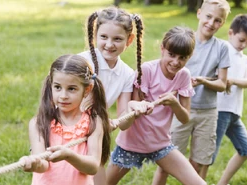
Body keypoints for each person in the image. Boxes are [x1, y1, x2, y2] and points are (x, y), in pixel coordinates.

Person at [106, 26, 207, 185]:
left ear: (190, 56)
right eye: (171, 55)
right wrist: (139, 106)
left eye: (182, 58)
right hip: (131, 144)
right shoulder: (147, 70)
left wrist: (175, 104)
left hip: (160, 144)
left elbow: (185, 118)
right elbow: (132, 112)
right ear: (162, 49)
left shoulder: (184, 75)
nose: (175, 62)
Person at [153, 0, 231, 183]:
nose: (211, 23)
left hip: (207, 113)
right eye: (208, 17)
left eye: (218, 20)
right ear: (199, 14)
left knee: (198, 164)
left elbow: (222, 84)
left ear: (223, 23)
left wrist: (203, 80)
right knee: (166, 163)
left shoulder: (222, 48)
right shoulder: (185, 42)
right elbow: (166, 72)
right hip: (181, 110)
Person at [20, 54, 111, 185]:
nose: (63, 96)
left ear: (87, 89)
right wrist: (34, 163)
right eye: (57, 87)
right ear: (51, 85)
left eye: (71, 89)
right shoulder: (39, 123)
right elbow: (43, 165)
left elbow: (93, 166)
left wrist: (69, 156)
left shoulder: (93, 122)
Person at [77, 6, 144, 184]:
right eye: (104, 37)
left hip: (95, 136)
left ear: (129, 40)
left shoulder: (127, 74)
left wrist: (133, 110)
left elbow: (123, 122)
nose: (109, 44)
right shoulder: (82, 62)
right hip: (68, 131)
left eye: (117, 39)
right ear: (95, 35)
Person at [212, 14, 247, 185]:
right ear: (230, 33)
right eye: (241, 40)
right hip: (220, 110)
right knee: (208, 157)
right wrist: (225, 81)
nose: (244, 45)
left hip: (234, 113)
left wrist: (231, 81)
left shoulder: (244, 59)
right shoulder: (222, 49)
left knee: (246, 149)